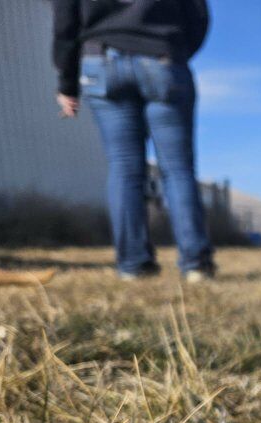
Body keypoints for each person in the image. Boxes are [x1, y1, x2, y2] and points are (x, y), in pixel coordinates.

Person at [52, 0, 216, 282]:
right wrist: (174, 52)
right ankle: (196, 265)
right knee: (177, 169)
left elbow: (65, 22)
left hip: (100, 61)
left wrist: (67, 82)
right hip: (163, 59)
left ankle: (132, 265)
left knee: (124, 167)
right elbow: (198, 16)